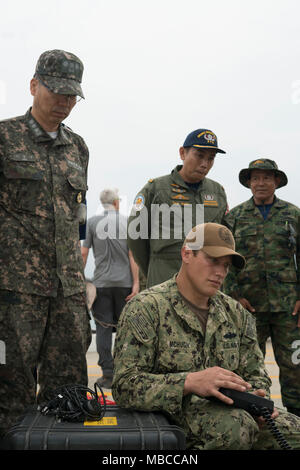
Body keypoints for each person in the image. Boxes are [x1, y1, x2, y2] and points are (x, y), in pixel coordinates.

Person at [112, 223, 300, 450]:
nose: (220, 272)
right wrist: (189, 382)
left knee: (294, 429)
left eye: (226, 266)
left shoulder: (235, 313)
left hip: (235, 412)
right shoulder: (147, 308)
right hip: (171, 416)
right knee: (234, 429)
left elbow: (255, 373)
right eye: (212, 260)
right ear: (187, 253)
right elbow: (125, 386)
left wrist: (256, 398)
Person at [0, 50, 91, 438]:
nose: (65, 103)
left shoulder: (78, 148)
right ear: (34, 85)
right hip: (15, 295)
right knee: (10, 395)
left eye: (72, 95)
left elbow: (77, 218)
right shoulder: (4, 138)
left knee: (69, 397)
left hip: (67, 294)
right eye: (57, 92)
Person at [223, 158, 300, 417]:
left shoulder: (293, 214)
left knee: (295, 367)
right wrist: (235, 296)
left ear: (277, 181)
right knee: (247, 365)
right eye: (255, 178)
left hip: (289, 307)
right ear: (249, 183)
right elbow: (226, 259)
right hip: (249, 307)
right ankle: (255, 416)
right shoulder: (234, 217)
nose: (261, 183)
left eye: (267, 177)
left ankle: (297, 419)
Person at [127, 128, 229, 288]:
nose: (204, 164)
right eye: (199, 156)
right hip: (165, 279)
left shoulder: (217, 192)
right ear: (183, 153)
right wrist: (154, 268)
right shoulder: (156, 189)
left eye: (211, 158)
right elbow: (135, 236)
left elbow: (224, 239)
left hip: (205, 284)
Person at [81, 188, 139, 389]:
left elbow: (84, 253)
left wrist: (81, 279)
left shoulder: (92, 222)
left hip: (102, 284)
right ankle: (126, 373)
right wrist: (136, 283)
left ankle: (107, 374)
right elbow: (133, 256)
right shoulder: (127, 222)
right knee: (126, 329)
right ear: (116, 203)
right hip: (124, 284)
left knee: (104, 328)